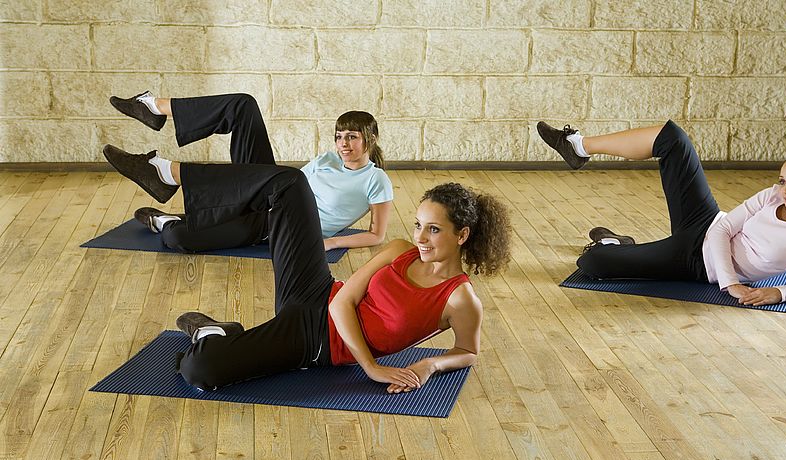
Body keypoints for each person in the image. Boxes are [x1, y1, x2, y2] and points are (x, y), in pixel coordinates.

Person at [100, 144, 511, 392]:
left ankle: (212, 334)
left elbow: (467, 351)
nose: (420, 237)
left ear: (462, 235)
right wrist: (371, 366)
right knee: (289, 184)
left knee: (200, 371)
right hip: (317, 292)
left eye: (434, 230)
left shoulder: (460, 299)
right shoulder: (401, 249)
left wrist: (427, 364)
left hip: (314, 341)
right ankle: (169, 176)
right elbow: (343, 300)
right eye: (419, 224)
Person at [536, 120, 786, 305]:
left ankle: (616, 245)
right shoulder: (772, 197)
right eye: (782, 180)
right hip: (707, 224)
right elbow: (722, 229)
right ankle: (578, 147)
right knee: (674, 139)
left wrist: (778, 292)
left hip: (694, 262)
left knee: (591, 265)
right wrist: (732, 284)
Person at [107, 91, 393, 253]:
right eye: (339, 136)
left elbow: (376, 235)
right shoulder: (327, 159)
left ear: (370, 138)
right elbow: (282, 182)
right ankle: (156, 109)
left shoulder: (375, 179)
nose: (344, 144)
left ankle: (168, 215)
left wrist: (331, 242)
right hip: (270, 195)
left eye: (352, 137)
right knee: (244, 105)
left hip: (281, 223)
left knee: (177, 239)